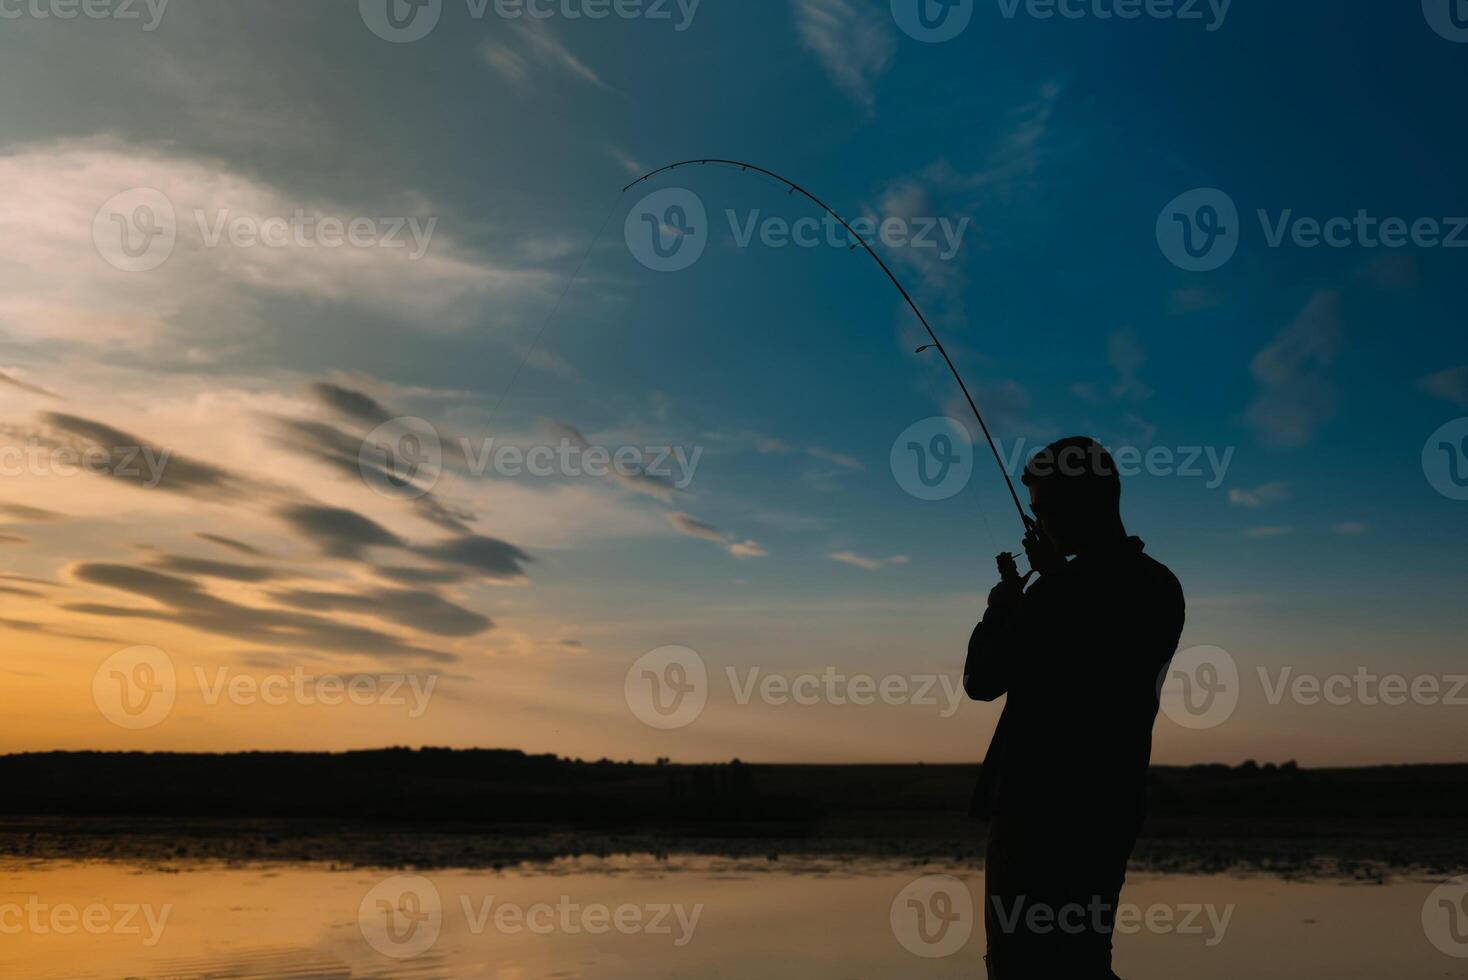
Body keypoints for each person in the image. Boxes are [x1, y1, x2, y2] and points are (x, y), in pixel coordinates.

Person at [964, 436, 1186, 979]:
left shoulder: (1133, 587)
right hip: (1101, 805)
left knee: (1030, 963)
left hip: (1050, 810)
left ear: (1089, 504)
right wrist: (1011, 605)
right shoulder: (1155, 583)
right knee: (1077, 959)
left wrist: (1027, 602)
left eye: (1046, 512)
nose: (1039, 527)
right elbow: (986, 681)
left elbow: (984, 680)